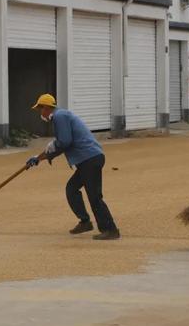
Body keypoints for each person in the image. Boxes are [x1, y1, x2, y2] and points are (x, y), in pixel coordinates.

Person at [26, 94, 121, 240]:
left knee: (94, 196)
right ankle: (85, 222)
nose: (41, 113)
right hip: (88, 159)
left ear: (46, 108)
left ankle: (110, 229)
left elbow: (64, 142)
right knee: (71, 189)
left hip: (89, 159)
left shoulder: (59, 116)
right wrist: (38, 158)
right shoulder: (61, 115)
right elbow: (62, 143)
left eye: (40, 109)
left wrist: (47, 151)